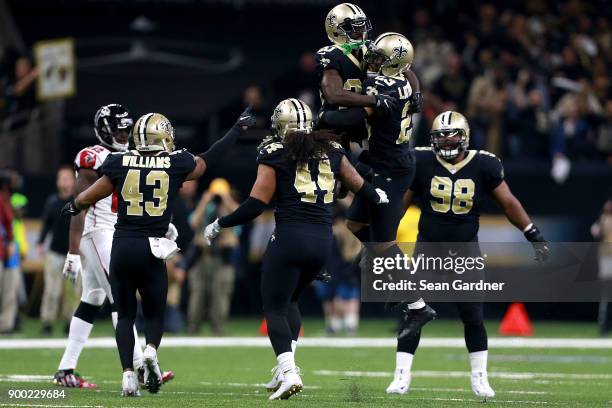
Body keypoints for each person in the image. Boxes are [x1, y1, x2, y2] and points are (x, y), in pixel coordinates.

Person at [203, 98, 389, 400]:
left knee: (274, 307)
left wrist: (220, 223)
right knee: (290, 301)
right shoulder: (333, 149)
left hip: (290, 236)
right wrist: (379, 196)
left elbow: (255, 205)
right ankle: (284, 368)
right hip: (322, 242)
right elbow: (360, 186)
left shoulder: (275, 152)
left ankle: (289, 371)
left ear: (280, 125)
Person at [63, 107, 255, 396]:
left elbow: (88, 196)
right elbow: (210, 158)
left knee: (113, 307)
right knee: (152, 311)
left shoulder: (118, 161)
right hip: (146, 244)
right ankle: (148, 355)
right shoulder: (174, 163)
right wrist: (236, 131)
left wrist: (73, 206)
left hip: (122, 242)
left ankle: (117, 372)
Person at [386, 111, 549, 398]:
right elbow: (401, 204)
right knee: (412, 312)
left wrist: (532, 233)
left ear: (465, 136)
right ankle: (401, 376)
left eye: (452, 135)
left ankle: (480, 378)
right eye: (440, 136)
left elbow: (508, 203)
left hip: (465, 251)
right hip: (428, 248)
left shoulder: (485, 163)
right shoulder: (422, 160)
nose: (447, 141)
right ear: (432, 139)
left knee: (473, 316)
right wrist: (382, 237)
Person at [320, 32, 436, 336]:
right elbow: (409, 72)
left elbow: (345, 116)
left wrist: (323, 117)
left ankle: (418, 306)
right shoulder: (404, 79)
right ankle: (385, 269)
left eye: (379, 59)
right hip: (378, 160)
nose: (372, 62)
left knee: (385, 244)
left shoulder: (387, 88)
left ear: (392, 64)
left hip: (392, 170)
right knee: (355, 223)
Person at [53, 104, 162, 389]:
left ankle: (66, 369)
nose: (124, 135)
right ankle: (139, 367)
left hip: (116, 231)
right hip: (96, 232)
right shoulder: (94, 157)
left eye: (127, 129)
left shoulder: (131, 155)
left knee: (94, 296)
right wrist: (73, 251)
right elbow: (80, 205)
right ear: (104, 131)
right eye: (119, 130)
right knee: (120, 296)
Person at [186, 178, 239, 335]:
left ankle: (218, 328)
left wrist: (226, 198)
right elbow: (194, 223)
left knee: (221, 295)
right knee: (197, 294)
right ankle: (193, 327)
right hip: (203, 257)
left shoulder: (231, 210)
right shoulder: (206, 208)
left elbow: (240, 216)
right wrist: (204, 201)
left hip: (223, 259)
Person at [38, 166, 78, 336]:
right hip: (54, 252)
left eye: (67, 178)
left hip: (73, 253)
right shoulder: (52, 201)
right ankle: (47, 322)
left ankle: (71, 323)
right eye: (61, 178)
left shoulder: (78, 201)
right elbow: (46, 224)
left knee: (72, 292)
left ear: (73, 181)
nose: (63, 181)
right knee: (51, 291)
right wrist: (40, 242)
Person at [0, 192, 27, 333]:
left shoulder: (18, 223)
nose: (20, 210)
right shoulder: (9, 221)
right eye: (18, 207)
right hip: (8, 260)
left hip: (15, 262)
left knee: (14, 294)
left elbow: (21, 244)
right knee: (9, 292)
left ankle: (12, 321)